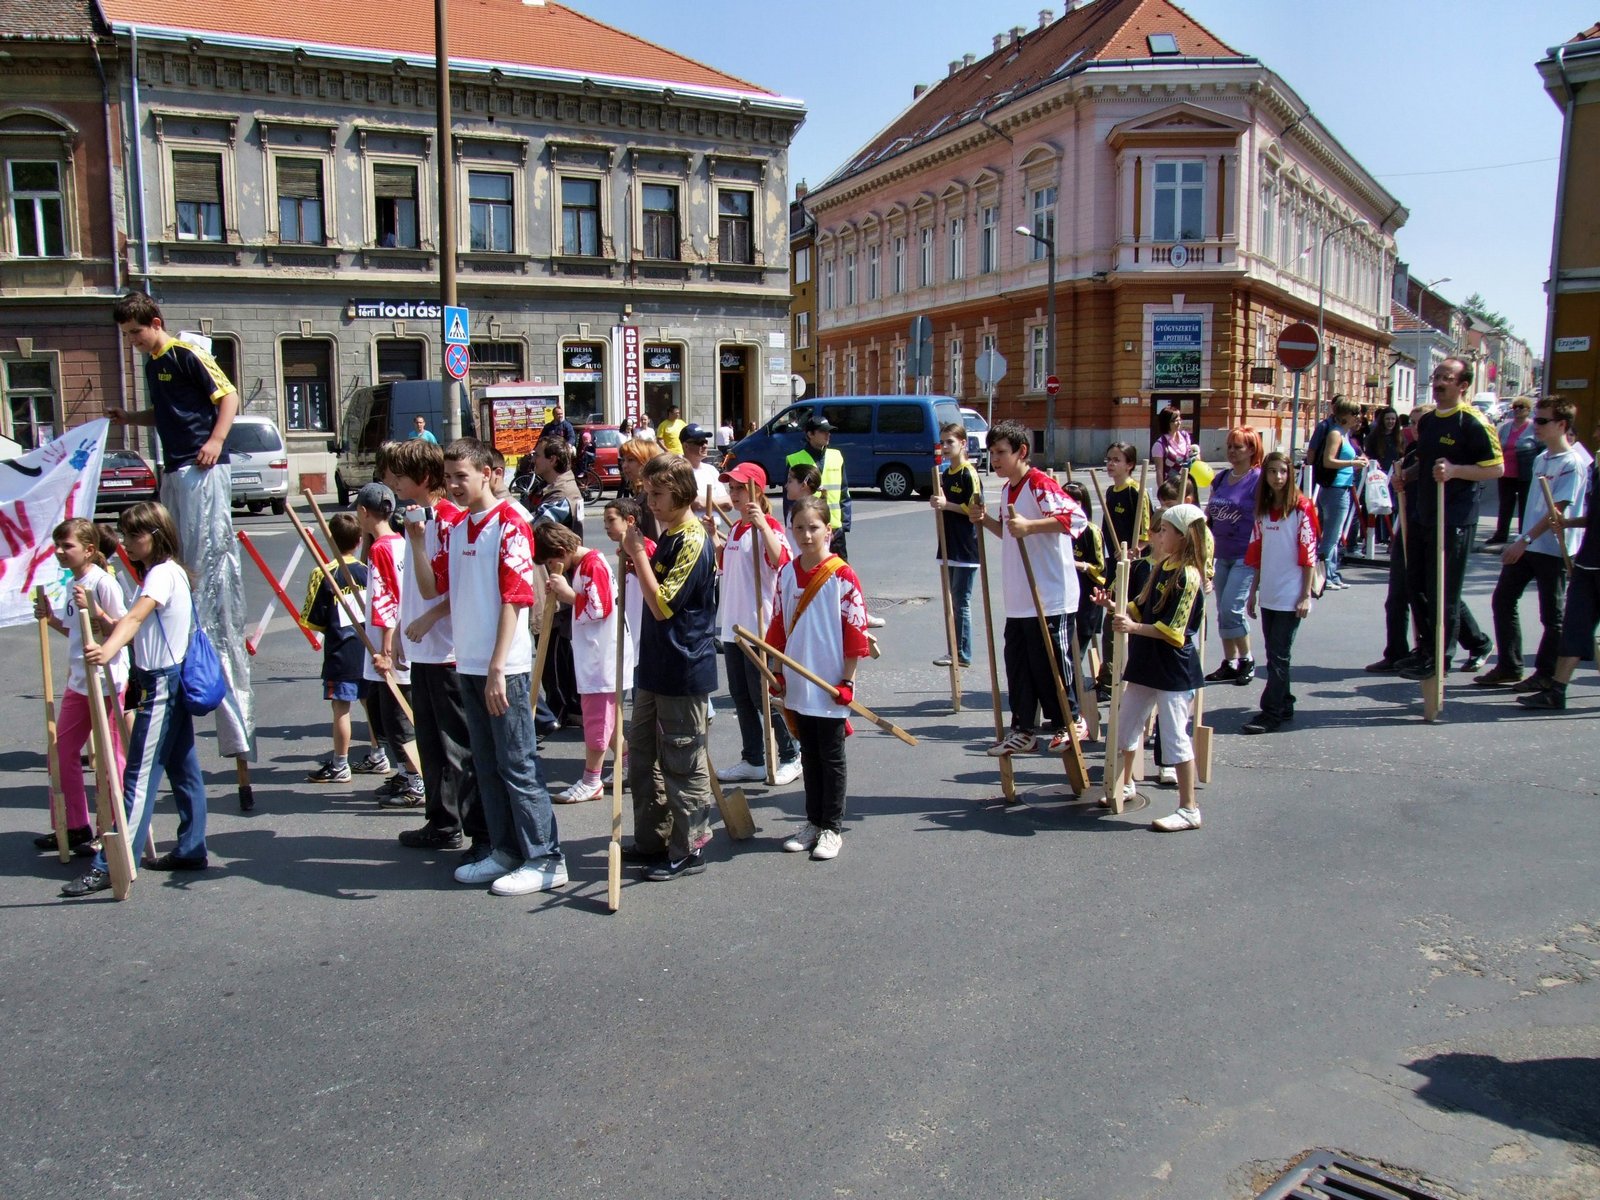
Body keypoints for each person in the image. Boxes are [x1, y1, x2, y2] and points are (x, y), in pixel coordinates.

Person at [408, 438, 567, 896]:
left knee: (517, 763)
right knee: (487, 764)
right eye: (449, 477)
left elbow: (516, 598)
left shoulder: (511, 522)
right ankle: (505, 850)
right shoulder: (458, 528)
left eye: (462, 476)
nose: (454, 485)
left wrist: (498, 666)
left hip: (505, 667)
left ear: (488, 474)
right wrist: (417, 543)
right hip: (469, 662)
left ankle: (547, 858)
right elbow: (434, 588)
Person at [109, 292, 254, 769]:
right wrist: (130, 419)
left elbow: (227, 396)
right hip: (174, 467)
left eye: (136, 332)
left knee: (205, 560)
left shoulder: (187, 352)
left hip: (201, 466)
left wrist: (216, 440)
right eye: (127, 336)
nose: (133, 341)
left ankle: (205, 623)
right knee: (170, 549)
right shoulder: (153, 365)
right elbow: (166, 413)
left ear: (155, 322)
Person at [66, 502, 209, 895]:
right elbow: (134, 625)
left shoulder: (160, 574)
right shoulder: (166, 572)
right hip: (168, 679)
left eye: (133, 534)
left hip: (161, 684)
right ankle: (191, 847)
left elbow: (133, 620)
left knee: (139, 777)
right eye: (124, 533)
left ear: (155, 537)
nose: (125, 542)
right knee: (183, 768)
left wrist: (106, 650)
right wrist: (104, 621)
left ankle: (111, 865)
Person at [383, 438, 484, 856]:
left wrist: (428, 618)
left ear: (422, 478)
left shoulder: (447, 520)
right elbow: (412, 584)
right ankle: (442, 821)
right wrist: (402, 627)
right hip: (424, 649)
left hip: (447, 651)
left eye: (399, 475)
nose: (392, 482)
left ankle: (479, 832)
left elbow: (459, 585)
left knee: (457, 746)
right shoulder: (417, 517)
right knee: (430, 743)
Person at [621, 453, 719, 881]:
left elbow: (662, 606)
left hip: (683, 666)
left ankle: (689, 847)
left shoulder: (692, 539)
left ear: (679, 494)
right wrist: (639, 559)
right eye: (648, 492)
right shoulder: (669, 534)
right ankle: (654, 839)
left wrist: (638, 555)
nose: (650, 502)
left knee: (682, 760)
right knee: (643, 755)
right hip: (655, 663)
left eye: (657, 494)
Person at [970, 420, 1089, 756]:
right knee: (1019, 666)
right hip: (1019, 597)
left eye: (1001, 452)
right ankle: (1023, 730)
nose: (995, 459)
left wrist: (1032, 525)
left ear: (1021, 451)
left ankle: (1072, 719)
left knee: (1052, 664)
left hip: (1049, 595)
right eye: (992, 452)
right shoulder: (1007, 490)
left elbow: (1076, 519)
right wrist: (985, 521)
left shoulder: (1039, 483)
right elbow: (1011, 533)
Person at [765, 495, 869, 861]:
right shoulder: (786, 573)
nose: (806, 535)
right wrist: (777, 672)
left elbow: (854, 630)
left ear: (829, 530)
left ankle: (831, 828)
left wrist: (847, 681)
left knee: (831, 756)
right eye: (799, 528)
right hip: (797, 677)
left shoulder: (842, 575)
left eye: (813, 528)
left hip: (830, 680)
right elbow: (778, 625)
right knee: (808, 754)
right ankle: (812, 822)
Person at [1096, 503, 1209, 831]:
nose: (1158, 536)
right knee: (1125, 726)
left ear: (1182, 536)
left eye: (1164, 531)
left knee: (1174, 737)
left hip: (1173, 669)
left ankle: (1189, 809)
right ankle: (1127, 783)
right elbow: (1138, 606)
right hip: (1146, 663)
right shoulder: (1162, 567)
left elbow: (1174, 631)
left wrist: (1133, 628)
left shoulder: (1188, 575)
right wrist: (1112, 605)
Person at [1397, 358, 1501, 681]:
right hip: (1424, 513)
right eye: (1437, 376)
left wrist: (1456, 471)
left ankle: (1441, 657)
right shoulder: (1428, 421)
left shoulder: (1473, 422)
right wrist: (1407, 476)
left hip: (1455, 516)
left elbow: (1496, 468)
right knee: (1417, 586)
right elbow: (1426, 463)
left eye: (1447, 378)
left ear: (1463, 385)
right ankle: (1428, 648)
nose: (1439, 383)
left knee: (1443, 591)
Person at [1476, 397, 1590, 690]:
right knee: (1503, 600)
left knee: (1552, 616)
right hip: (1528, 544)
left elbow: (1557, 511)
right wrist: (1521, 539)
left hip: (1553, 548)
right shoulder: (1541, 458)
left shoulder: (1572, 463)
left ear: (1561, 425)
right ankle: (1510, 665)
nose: (1535, 426)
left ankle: (1545, 673)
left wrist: (1523, 540)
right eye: (1535, 419)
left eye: (1541, 421)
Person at [31, 519, 129, 854]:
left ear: (88, 550)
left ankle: (115, 827)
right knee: (60, 754)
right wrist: (51, 619)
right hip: (79, 683)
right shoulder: (74, 583)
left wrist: (97, 611)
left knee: (110, 759)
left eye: (67, 546)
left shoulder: (103, 583)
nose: (59, 552)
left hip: (106, 682)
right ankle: (75, 825)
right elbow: (77, 632)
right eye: (57, 546)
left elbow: (122, 630)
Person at [714, 462, 803, 786]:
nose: (734, 493)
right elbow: (727, 567)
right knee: (740, 695)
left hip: (759, 626)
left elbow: (782, 561)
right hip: (733, 625)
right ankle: (753, 759)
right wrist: (714, 538)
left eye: (740, 487)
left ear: (757, 490)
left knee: (763, 696)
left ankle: (792, 755)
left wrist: (762, 526)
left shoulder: (769, 526)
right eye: (731, 488)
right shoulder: (736, 527)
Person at [533, 521, 625, 805]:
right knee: (607, 719)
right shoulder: (584, 565)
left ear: (562, 551)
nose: (552, 568)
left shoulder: (592, 565)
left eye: (551, 562)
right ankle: (628, 759)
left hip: (602, 655)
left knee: (597, 719)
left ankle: (591, 780)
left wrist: (568, 595)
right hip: (595, 652)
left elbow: (599, 608)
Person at [1518, 418, 1600, 711]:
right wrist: (1568, 523)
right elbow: (1595, 517)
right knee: (1574, 627)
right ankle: (1557, 690)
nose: (1596, 433)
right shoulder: (1597, 467)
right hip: (1588, 562)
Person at [353, 483, 422, 807]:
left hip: (392, 644)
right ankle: (405, 773)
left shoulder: (381, 549)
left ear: (364, 512)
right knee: (392, 717)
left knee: (397, 720)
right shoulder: (400, 542)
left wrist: (384, 650)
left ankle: (416, 781)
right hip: (402, 639)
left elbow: (386, 599)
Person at [1242, 452, 1319, 734]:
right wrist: (1253, 591)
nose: (1278, 477)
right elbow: (1258, 552)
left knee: (1279, 655)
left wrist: (1305, 595)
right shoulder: (1263, 510)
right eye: (1273, 471)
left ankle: (1271, 712)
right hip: (1270, 592)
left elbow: (1309, 552)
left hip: (1291, 593)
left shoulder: (1301, 508)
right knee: (1274, 653)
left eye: (1283, 472)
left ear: (1290, 474)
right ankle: (1285, 702)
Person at [301, 513, 370, 785]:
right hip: (367, 649)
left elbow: (313, 619)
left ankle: (341, 763)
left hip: (340, 651)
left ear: (330, 539)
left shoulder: (323, 573)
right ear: (359, 540)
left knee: (341, 707)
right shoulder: (366, 571)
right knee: (370, 704)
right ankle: (378, 754)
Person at [1204, 427, 1263, 685]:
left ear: (1251, 450)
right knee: (1222, 610)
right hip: (1221, 554)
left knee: (1232, 608)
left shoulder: (1258, 480)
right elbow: (1210, 514)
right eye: (1229, 446)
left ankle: (1247, 659)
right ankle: (1229, 662)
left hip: (1244, 555)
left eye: (1238, 447)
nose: (1232, 451)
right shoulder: (1221, 478)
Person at [930, 421, 981, 668]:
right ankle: (954, 648)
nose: (946, 446)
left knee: (961, 600)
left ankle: (962, 653)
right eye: (943, 442)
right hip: (948, 542)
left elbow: (975, 508)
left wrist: (946, 505)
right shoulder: (946, 474)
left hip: (965, 545)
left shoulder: (968, 473)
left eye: (950, 442)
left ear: (962, 443)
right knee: (952, 600)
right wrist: (938, 503)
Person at [1314, 397, 1367, 591]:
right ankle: (1323, 577)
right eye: (1355, 413)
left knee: (1334, 537)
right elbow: (1328, 461)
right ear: (1344, 415)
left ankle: (1331, 574)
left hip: (1341, 488)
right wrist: (1353, 463)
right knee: (1331, 537)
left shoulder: (1344, 434)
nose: (1358, 417)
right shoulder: (1335, 434)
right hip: (1335, 489)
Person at [602, 496, 655, 680]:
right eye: (604, 521)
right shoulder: (623, 550)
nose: (606, 526)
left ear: (630, 520)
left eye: (611, 520)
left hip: (644, 629)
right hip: (630, 626)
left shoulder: (645, 547)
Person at [786, 416, 852, 562]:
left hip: (835, 530)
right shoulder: (795, 459)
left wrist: (844, 525)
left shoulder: (836, 456)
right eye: (823, 431)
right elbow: (789, 500)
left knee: (839, 572)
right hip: (810, 530)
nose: (828, 434)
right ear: (810, 434)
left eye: (829, 431)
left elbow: (844, 492)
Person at [1064, 481, 1105, 694]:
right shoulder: (1059, 528)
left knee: (1076, 649)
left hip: (1086, 596)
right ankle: (1070, 688)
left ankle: (1075, 692)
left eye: (1076, 501)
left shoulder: (1091, 531)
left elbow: (1100, 567)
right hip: (1064, 595)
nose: (1071, 504)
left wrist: (1078, 564)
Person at [1486, 398, 1537, 546]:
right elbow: (1497, 445)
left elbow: (1541, 448)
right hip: (1506, 473)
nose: (1517, 410)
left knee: (1524, 505)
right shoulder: (1506, 427)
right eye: (1515, 407)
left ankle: (1523, 535)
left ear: (1528, 410)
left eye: (1521, 407)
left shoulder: (1533, 428)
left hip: (1525, 473)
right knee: (1505, 505)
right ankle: (1501, 534)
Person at [681, 424, 730, 514]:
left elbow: (728, 504)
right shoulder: (678, 471)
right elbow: (696, 504)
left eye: (705, 441)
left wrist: (704, 502)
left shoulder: (711, 470)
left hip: (714, 523)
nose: (705, 446)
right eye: (700, 442)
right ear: (686, 446)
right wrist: (719, 502)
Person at [1151, 406, 1195, 487]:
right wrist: (1162, 491)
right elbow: (1159, 472)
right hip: (1170, 488)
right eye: (1175, 420)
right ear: (1166, 422)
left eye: (1179, 419)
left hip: (1187, 485)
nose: (1179, 423)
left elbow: (1191, 455)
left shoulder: (1185, 436)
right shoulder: (1160, 445)